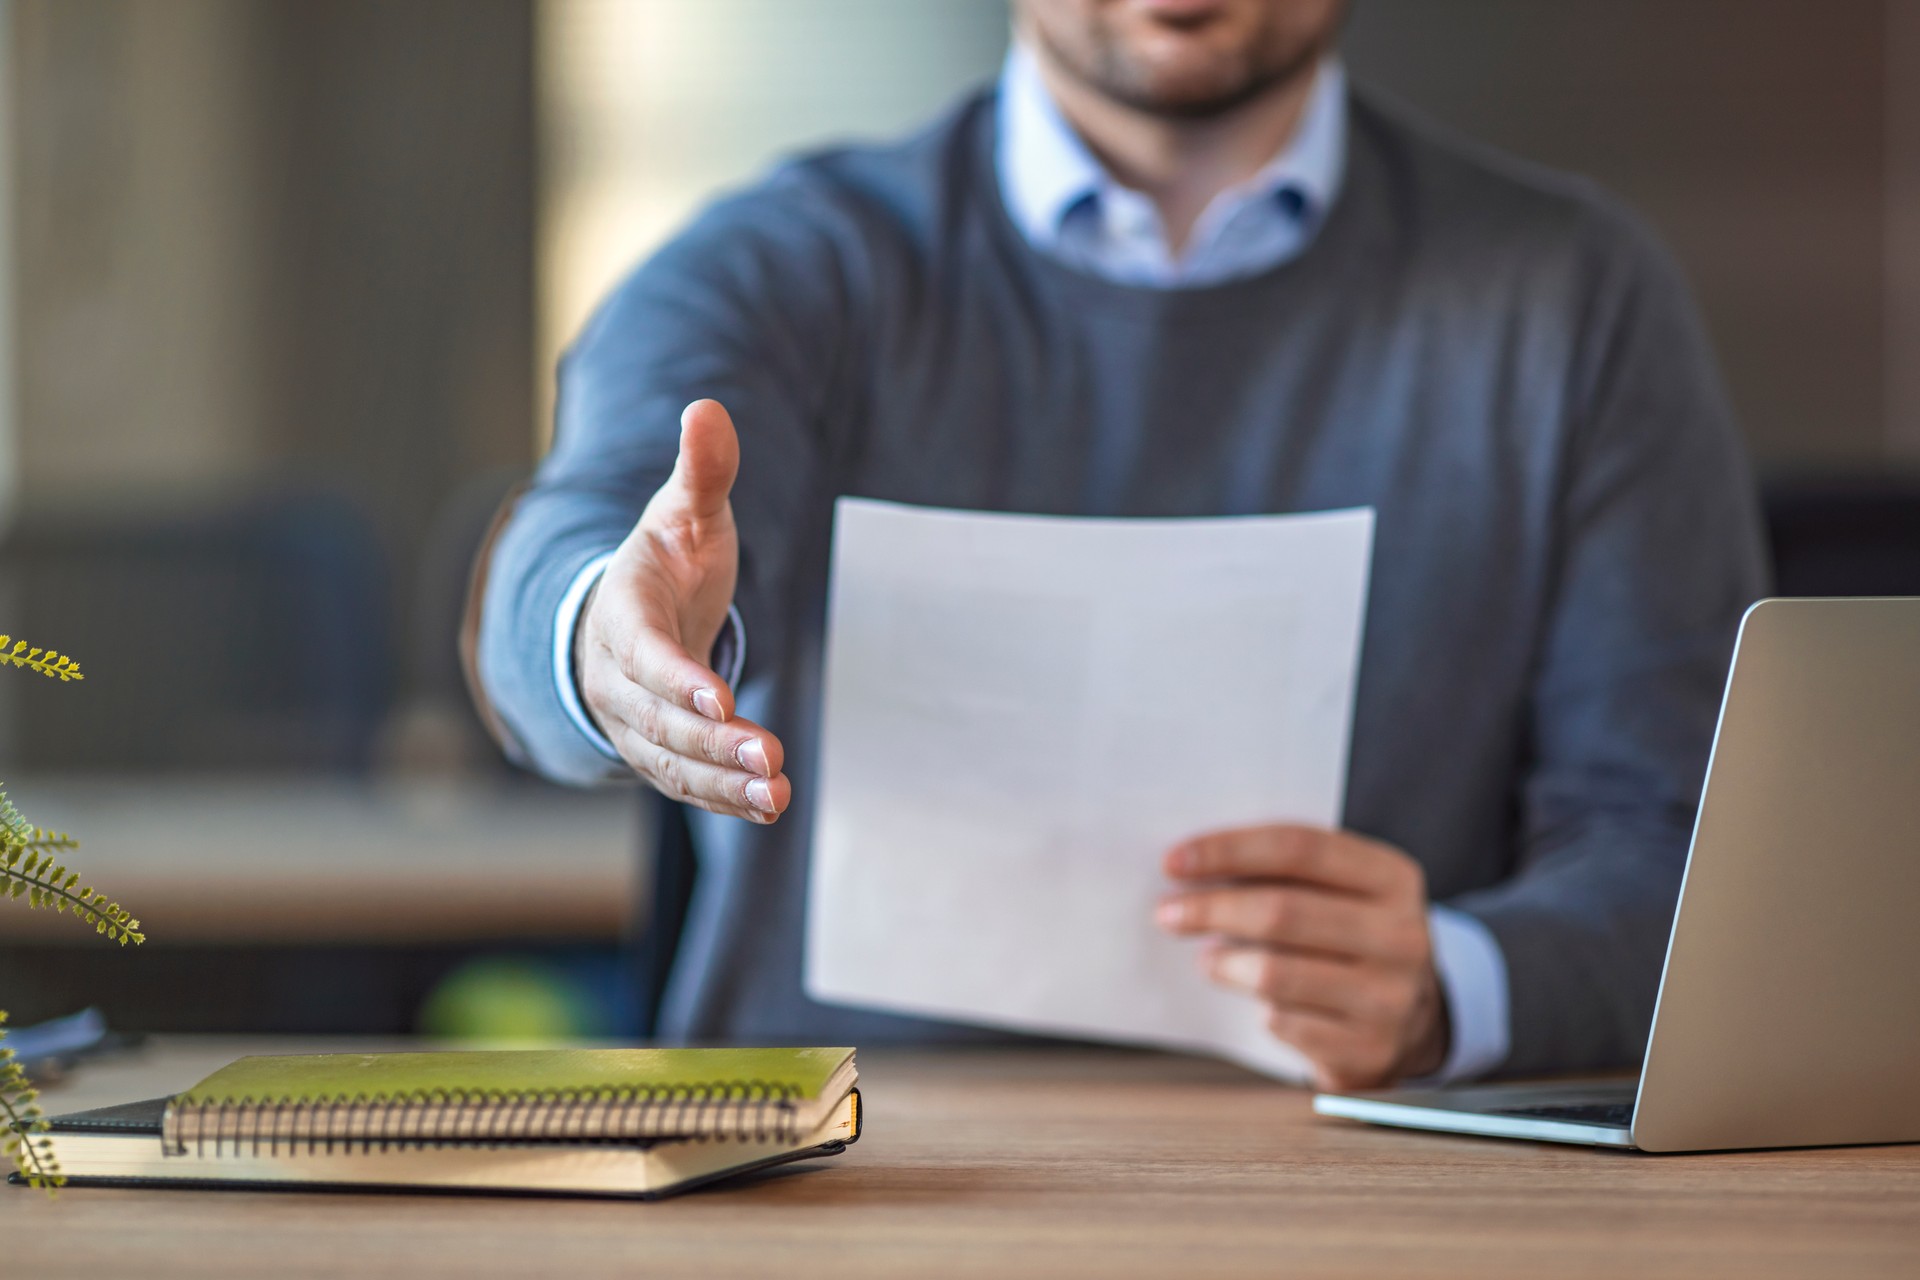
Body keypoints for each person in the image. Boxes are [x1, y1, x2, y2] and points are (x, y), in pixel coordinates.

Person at [472, 0, 1766, 1088]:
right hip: (835, 1172)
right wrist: (604, 634)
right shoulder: (787, 266)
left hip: (1380, 1193)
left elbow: (1689, 854)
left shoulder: (1577, 299)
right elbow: (580, 538)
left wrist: (1452, 986)